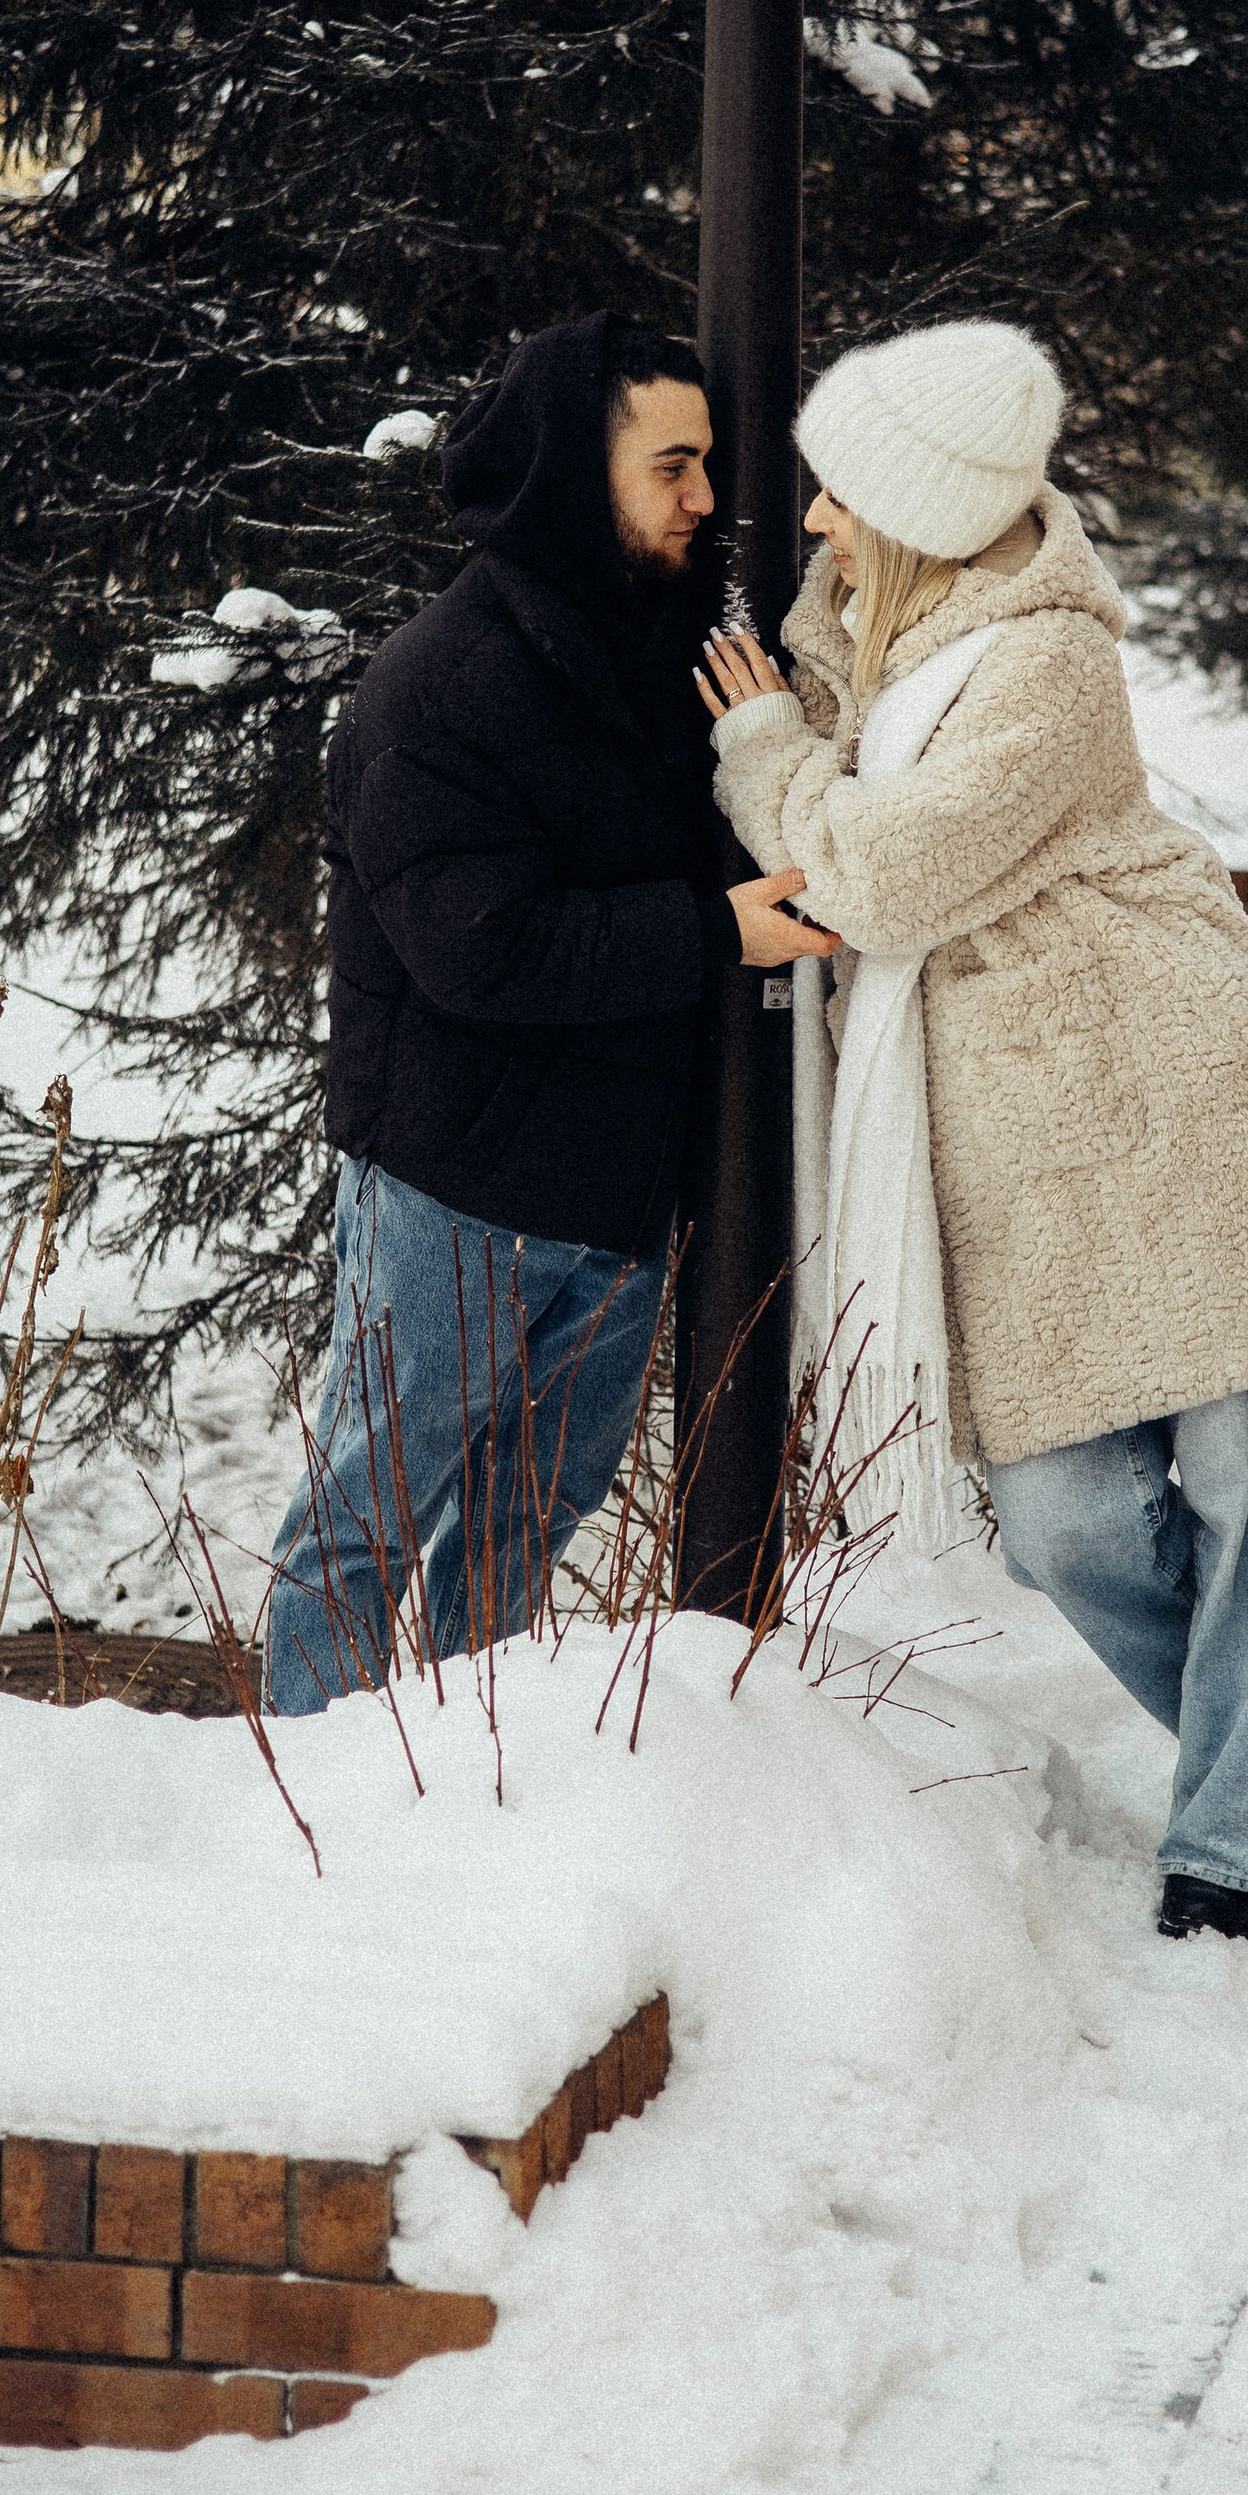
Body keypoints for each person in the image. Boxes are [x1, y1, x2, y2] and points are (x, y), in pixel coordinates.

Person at [697, 317, 1248, 1941]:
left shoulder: (1047, 665)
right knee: (1061, 1519)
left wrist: (766, 757)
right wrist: (805, 721)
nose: (810, 523)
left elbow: (870, 877)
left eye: (838, 496)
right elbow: (856, 810)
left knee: (1238, 1491)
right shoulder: (885, 634)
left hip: (1170, 1100)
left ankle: (1230, 1849)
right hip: (1023, 1140)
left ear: (924, 511)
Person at [263, 307, 834, 1711]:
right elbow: (483, 951)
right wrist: (718, 931)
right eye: (674, 467)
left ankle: (473, 1795)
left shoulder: (668, 654)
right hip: (455, 1196)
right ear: (579, 475)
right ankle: (294, 1821)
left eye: (708, 467)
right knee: (367, 1524)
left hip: (616, 1202)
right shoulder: (436, 687)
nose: (708, 499)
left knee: (526, 1534)